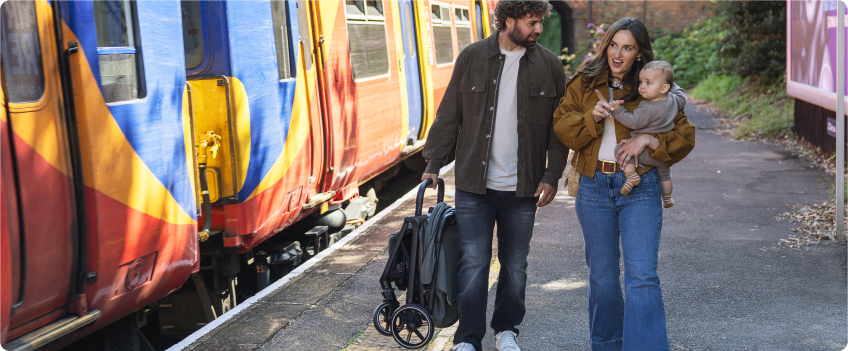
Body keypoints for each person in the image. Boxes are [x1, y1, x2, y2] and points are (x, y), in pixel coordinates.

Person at [420, 0, 568, 349]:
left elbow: (558, 130)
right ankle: (468, 338)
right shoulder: (472, 57)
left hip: (524, 186)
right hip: (474, 183)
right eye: (532, 22)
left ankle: (506, 331)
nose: (538, 29)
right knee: (473, 262)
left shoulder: (550, 65)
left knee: (515, 264)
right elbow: (449, 114)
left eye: (540, 22)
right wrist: (433, 163)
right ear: (509, 20)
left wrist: (551, 175)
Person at [552, 18, 695, 351]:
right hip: (593, 188)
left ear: (639, 53)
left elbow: (685, 135)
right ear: (606, 46)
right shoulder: (585, 81)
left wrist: (648, 138)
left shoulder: (655, 86)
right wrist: (592, 117)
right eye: (614, 44)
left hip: (640, 187)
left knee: (642, 278)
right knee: (602, 281)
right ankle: (607, 346)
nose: (618, 53)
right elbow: (562, 125)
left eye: (628, 47)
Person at [605, 60, 685, 208]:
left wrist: (617, 111)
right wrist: (672, 85)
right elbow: (682, 96)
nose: (642, 86)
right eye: (641, 82)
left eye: (648, 83)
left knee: (621, 150)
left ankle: (631, 176)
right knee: (665, 175)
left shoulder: (649, 108)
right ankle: (667, 198)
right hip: (662, 151)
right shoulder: (673, 99)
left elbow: (634, 122)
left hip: (646, 151)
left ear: (663, 88)